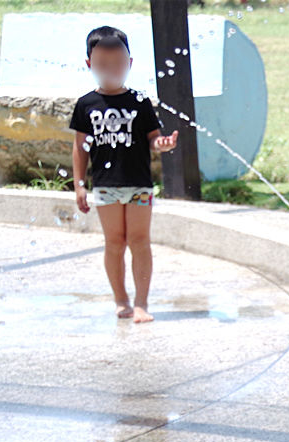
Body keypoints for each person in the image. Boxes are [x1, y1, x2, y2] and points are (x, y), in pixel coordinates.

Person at [70, 25, 180, 323]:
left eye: (119, 64)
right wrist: (80, 185)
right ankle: (121, 299)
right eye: (103, 65)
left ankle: (142, 303)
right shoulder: (86, 105)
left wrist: (163, 144)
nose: (112, 70)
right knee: (115, 242)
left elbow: (153, 139)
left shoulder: (140, 102)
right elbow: (79, 148)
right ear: (89, 65)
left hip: (139, 186)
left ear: (129, 64)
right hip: (106, 187)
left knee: (139, 240)